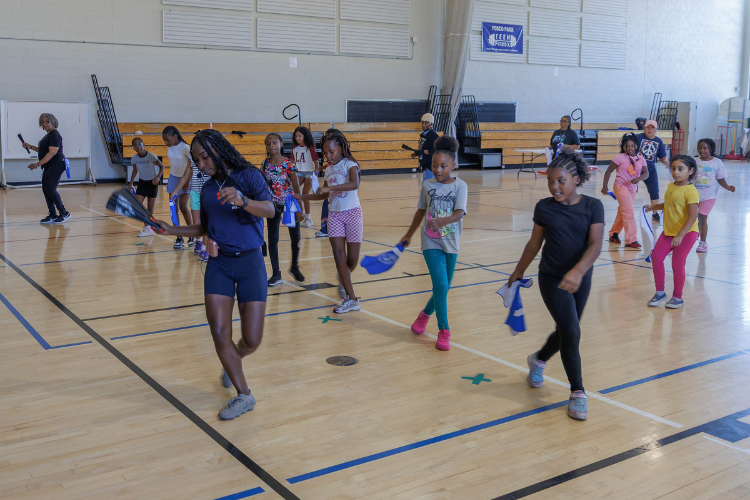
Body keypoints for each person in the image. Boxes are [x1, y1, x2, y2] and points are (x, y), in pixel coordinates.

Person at [156, 129, 275, 421]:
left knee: (252, 339)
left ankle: (233, 359)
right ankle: (244, 395)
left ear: (220, 149)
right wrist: (171, 230)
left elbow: (271, 210)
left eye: (205, 156)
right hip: (219, 265)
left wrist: (242, 201)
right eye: (197, 159)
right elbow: (203, 229)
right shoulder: (206, 189)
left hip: (251, 264)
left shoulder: (249, 176)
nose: (202, 163)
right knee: (220, 332)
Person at [508, 151, 604, 421]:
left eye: (560, 181)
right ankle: (578, 392)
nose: (554, 187)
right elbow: (534, 244)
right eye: (550, 181)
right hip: (551, 277)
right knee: (572, 331)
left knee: (566, 331)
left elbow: (596, 245)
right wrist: (518, 271)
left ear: (576, 179)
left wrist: (578, 271)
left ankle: (538, 359)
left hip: (580, 277)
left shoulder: (593, 206)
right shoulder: (544, 207)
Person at [402, 136, 467, 351]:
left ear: (453, 166)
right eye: (434, 165)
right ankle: (444, 330)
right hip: (430, 241)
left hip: (451, 242)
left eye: (443, 166)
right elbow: (421, 211)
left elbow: (459, 213)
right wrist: (409, 234)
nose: (438, 170)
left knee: (444, 288)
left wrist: (444, 220)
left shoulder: (461, 187)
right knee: (440, 285)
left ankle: (424, 315)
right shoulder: (427, 185)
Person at [296, 130, 362, 313]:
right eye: (325, 153)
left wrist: (330, 188)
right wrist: (301, 196)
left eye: (331, 152)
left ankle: (344, 276)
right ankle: (352, 298)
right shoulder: (329, 170)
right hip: (334, 216)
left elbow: (354, 184)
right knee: (339, 255)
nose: (328, 156)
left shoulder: (351, 165)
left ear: (340, 148)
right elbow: (322, 195)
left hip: (353, 213)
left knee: (352, 259)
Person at [645, 155, 700, 309]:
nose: (676, 172)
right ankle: (660, 292)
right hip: (669, 231)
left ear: (691, 171)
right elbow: (669, 204)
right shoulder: (671, 186)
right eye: (673, 168)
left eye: (680, 169)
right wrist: (653, 207)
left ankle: (677, 297)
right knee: (656, 257)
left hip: (686, 233)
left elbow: (693, 215)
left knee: (677, 264)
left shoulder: (691, 191)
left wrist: (681, 235)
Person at [261, 133, 305, 285]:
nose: (271, 145)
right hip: (272, 205)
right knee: (273, 238)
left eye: (274, 142)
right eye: (268, 143)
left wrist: (301, 209)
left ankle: (294, 266)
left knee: (295, 237)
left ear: (280, 143)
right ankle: (276, 273)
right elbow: (262, 185)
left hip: (289, 204)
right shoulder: (265, 164)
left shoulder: (289, 163)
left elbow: (297, 187)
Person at [600, 133, 648, 248]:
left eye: (632, 146)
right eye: (627, 146)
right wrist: (604, 186)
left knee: (623, 211)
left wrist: (639, 179)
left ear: (636, 146)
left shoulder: (641, 158)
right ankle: (631, 239)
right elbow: (608, 171)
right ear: (623, 147)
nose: (630, 148)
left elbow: (646, 173)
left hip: (632, 189)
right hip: (620, 187)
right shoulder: (619, 158)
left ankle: (614, 234)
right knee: (629, 212)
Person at [23, 113, 70, 224]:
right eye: (43, 122)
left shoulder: (54, 134)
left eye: (47, 121)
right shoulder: (48, 135)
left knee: (50, 189)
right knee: (46, 189)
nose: (45, 124)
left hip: (56, 165)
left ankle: (64, 213)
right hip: (49, 166)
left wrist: (37, 164)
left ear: (53, 122)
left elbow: (52, 153)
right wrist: (30, 146)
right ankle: (53, 215)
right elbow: (43, 150)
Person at [694, 138, 735, 252]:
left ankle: (703, 242)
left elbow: (720, 178)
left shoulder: (717, 162)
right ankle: (695, 234)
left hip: (709, 196)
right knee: (694, 217)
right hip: (695, 195)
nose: (702, 150)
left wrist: (727, 187)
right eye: (700, 148)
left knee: (702, 217)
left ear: (711, 149)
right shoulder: (694, 161)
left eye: (705, 148)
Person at [162, 126, 194, 249]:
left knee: (183, 207)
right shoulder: (169, 146)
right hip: (173, 178)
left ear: (175, 136)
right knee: (173, 208)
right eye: (164, 140)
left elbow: (192, 165)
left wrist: (188, 181)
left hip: (185, 179)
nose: (166, 142)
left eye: (167, 139)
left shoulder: (186, 148)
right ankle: (179, 237)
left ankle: (191, 235)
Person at [127, 137, 165, 237]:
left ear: (143, 144)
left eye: (139, 144)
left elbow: (162, 166)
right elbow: (135, 171)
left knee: (150, 208)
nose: (138, 146)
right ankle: (148, 228)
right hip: (142, 183)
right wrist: (130, 183)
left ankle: (148, 226)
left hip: (152, 183)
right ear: (133, 148)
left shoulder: (151, 156)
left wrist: (158, 177)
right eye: (135, 145)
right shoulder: (134, 158)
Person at [637, 120, 669, 223]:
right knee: (631, 188)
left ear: (656, 129)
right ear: (644, 128)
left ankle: (655, 213)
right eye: (648, 127)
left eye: (652, 128)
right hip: (636, 168)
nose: (650, 129)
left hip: (650, 169)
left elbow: (663, 156)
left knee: (654, 190)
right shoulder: (637, 138)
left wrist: (666, 163)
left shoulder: (658, 141)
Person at [291, 126, 319, 228]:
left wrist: (315, 173)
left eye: (300, 136)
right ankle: (298, 214)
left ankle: (308, 218)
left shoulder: (310, 148)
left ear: (305, 136)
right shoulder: (295, 148)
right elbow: (293, 161)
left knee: (305, 194)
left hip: (309, 173)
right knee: (295, 192)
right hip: (299, 172)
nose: (297, 138)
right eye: (296, 136)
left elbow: (316, 162)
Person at [187, 153, 208, 262]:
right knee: (196, 222)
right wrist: (177, 189)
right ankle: (198, 241)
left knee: (207, 222)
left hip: (208, 191)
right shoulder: (191, 155)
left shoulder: (211, 153)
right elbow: (188, 172)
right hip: (195, 191)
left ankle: (205, 249)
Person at [412, 113, 439, 181]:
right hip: (425, 164)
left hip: (431, 165)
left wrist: (422, 151)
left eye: (426, 123)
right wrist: (417, 153)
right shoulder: (424, 135)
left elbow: (436, 151)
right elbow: (424, 148)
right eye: (423, 123)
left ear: (431, 124)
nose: (424, 125)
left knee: (427, 186)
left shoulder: (433, 135)